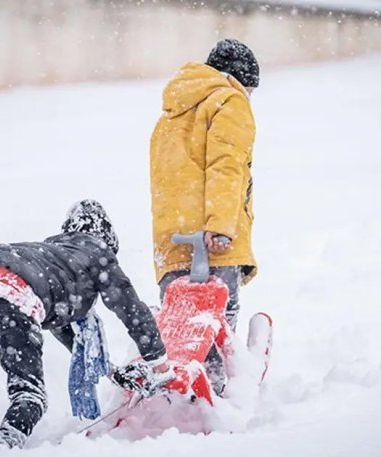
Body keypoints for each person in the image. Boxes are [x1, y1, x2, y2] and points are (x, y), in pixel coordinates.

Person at [0, 200, 171, 456]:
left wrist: (111, 372)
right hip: (13, 292)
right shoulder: (97, 252)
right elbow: (132, 310)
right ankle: (0, 448)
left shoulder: (52, 255)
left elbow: (64, 327)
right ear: (107, 237)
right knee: (30, 395)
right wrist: (160, 365)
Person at [149, 38, 260, 394]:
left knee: (183, 330)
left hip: (171, 240)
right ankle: (221, 392)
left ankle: (183, 394)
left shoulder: (171, 112)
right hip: (212, 238)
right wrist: (221, 226)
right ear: (239, 79)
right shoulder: (229, 100)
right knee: (218, 323)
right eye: (251, 89)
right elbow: (226, 167)